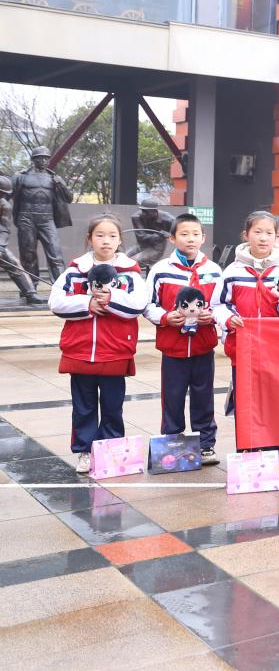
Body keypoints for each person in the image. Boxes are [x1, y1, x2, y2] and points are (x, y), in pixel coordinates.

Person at [48, 214, 149, 473]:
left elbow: (138, 304)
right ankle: (85, 451)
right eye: (100, 235)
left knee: (113, 407)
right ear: (89, 239)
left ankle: (111, 451)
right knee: (83, 407)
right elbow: (55, 302)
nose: (106, 241)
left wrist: (111, 297)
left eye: (112, 236)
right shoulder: (75, 271)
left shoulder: (130, 272)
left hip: (115, 351)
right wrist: (87, 304)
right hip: (80, 351)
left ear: (120, 240)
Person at [143, 213, 223, 464]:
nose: (191, 239)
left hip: (203, 346)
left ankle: (205, 445)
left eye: (196, 234)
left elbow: (221, 304)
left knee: (204, 398)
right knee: (173, 397)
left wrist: (211, 316)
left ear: (203, 238)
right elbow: (148, 304)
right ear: (172, 238)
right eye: (184, 234)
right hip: (173, 347)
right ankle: (172, 443)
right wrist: (165, 317)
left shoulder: (213, 270)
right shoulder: (161, 270)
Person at [211, 211, 279, 420]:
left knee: (276, 401)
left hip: (277, 350)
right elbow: (218, 304)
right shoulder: (232, 271)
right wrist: (228, 319)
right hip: (242, 347)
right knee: (246, 401)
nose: (263, 238)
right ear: (246, 235)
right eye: (258, 232)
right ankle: (246, 441)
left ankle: (276, 440)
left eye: (269, 233)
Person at [13, 145, 73, 291]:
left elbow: (69, 198)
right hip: (26, 218)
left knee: (55, 254)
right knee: (28, 255)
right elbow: (6, 193)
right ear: (34, 159)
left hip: (47, 219)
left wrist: (61, 184)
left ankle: (61, 287)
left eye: (46, 158)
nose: (44, 161)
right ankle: (30, 287)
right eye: (40, 158)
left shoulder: (54, 178)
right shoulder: (21, 176)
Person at [0, 176, 39, 304]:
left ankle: (30, 293)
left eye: (4, 194)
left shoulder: (4, 206)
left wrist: (1, 247)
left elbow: (4, 229)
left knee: (13, 263)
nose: (4, 197)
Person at [127, 198, 176, 272]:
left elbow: (178, 232)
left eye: (146, 212)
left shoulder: (169, 219)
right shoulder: (136, 217)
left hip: (156, 247)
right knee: (123, 259)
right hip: (142, 244)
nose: (143, 213)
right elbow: (141, 237)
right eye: (142, 211)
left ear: (154, 211)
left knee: (134, 262)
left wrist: (168, 234)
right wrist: (159, 235)